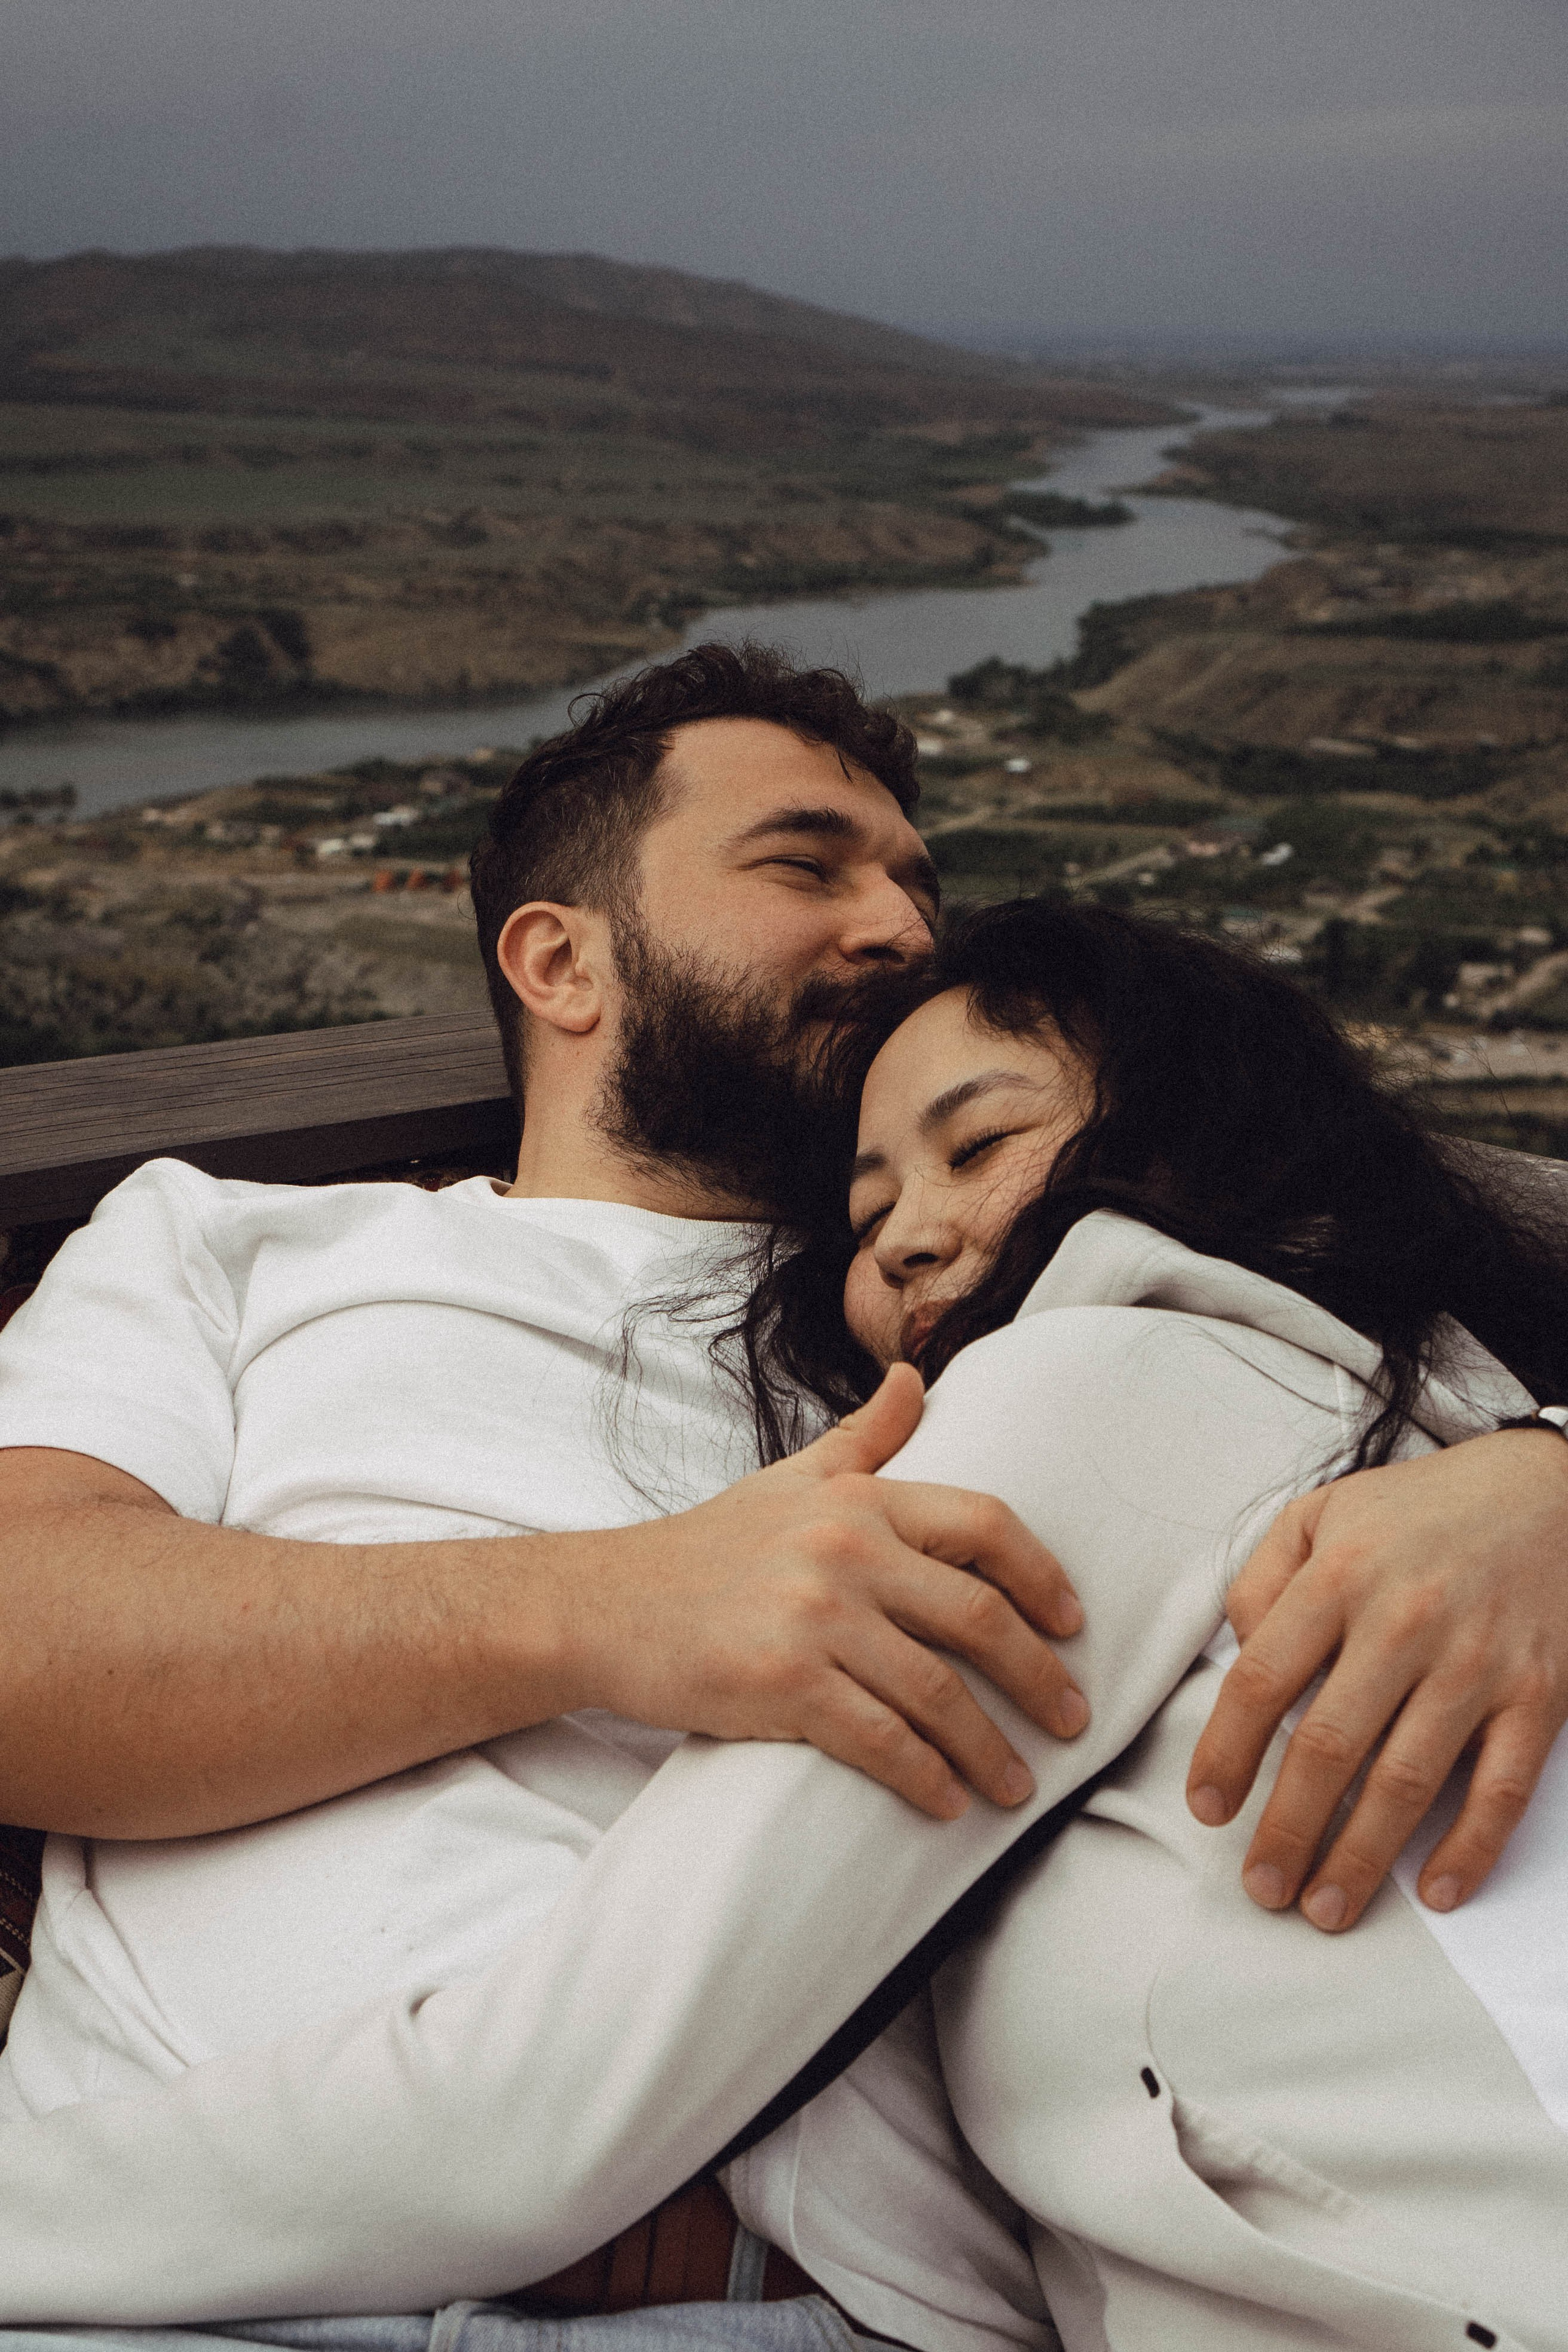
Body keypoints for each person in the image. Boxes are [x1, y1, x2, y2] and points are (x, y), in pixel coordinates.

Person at [0, 649, 1565, 2343]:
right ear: (560, 959)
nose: (897, 927)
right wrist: (609, 1608)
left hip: (843, 2304)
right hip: (169, 2277)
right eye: (806, 866)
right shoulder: (239, 1245)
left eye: (916, 885)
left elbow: (1298, 1345)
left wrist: (1538, 1468)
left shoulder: (984, 1315)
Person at [729, 895, 1568, 2348]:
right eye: (866, 1218)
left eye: (978, 1147)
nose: (909, 1237)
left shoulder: (1106, 1385)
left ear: (1190, 1126)